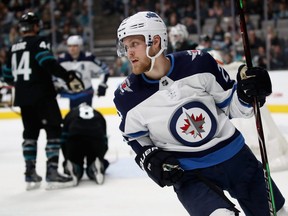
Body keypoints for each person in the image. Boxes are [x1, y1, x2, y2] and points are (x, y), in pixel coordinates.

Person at [113, 11, 287, 216]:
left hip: (237, 159)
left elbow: (232, 107)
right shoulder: (126, 96)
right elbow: (134, 137)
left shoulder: (199, 64)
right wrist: (148, 156)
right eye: (125, 46)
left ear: (156, 41)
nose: (128, 52)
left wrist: (248, 95)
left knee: (278, 214)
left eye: (134, 44)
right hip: (189, 175)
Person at [2, 12, 84, 190]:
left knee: (30, 134)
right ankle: (52, 173)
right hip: (42, 96)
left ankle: (30, 173)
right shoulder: (40, 42)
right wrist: (68, 76)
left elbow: (7, 76)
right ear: (36, 26)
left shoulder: (13, 46)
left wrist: (22, 84)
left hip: (23, 98)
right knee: (54, 130)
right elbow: (48, 62)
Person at [55, 35, 110, 109]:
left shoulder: (89, 58)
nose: (72, 48)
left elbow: (104, 70)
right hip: (66, 94)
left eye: (75, 46)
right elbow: (53, 74)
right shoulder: (61, 60)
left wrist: (102, 84)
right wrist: (57, 85)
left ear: (80, 46)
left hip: (85, 93)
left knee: (85, 118)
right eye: (69, 46)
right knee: (69, 119)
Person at [61, 103, 109, 185]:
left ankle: (74, 168)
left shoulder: (70, 114)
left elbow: (63, 140)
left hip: (75, 138)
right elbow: (104, 140)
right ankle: (95, 165)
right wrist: (101, 158)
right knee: (95, 158)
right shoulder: (98, 114)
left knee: (75, 160)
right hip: (95, 137)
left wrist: (67, 158)